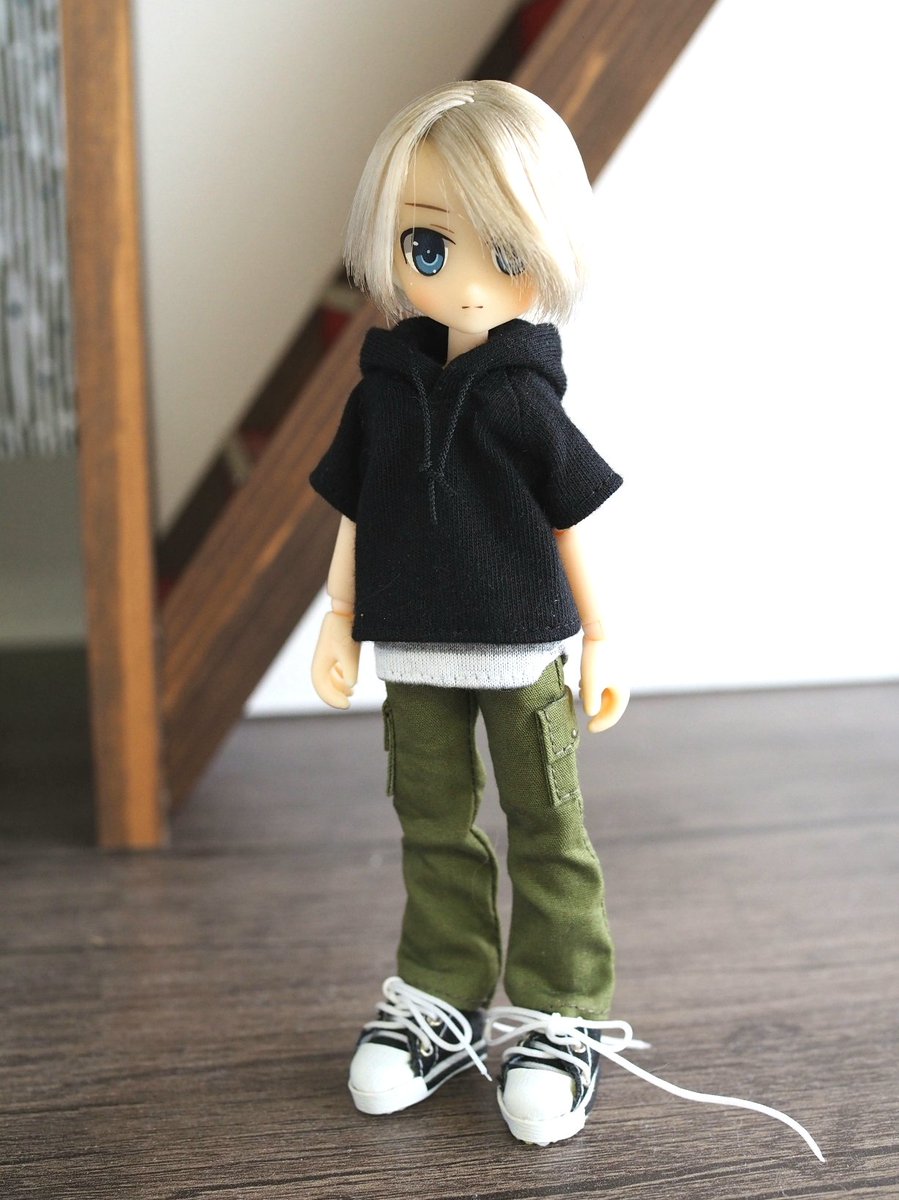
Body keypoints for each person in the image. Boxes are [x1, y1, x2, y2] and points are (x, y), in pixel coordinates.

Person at [309, 80, 824, 1160]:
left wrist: (602, 637)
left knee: (546, 829)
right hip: (413, 654)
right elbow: (357, 509)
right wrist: (337, 617)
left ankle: (559, 1011)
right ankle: (442, 993)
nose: (460, 279)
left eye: (502, 250)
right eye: (426, 245)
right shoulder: (381, 391)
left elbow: (571, 520)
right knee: (431, 826)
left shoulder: (519, 396)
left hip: (523, 654)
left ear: (544, 250)